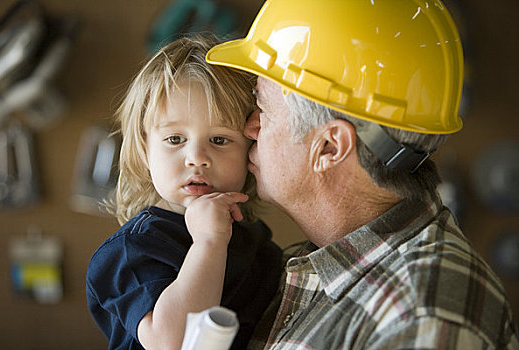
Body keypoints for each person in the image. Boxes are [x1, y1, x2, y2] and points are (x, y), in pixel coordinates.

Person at [206, 0, 519, 349]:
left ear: (329, 147)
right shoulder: (317, 270)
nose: (250, 128)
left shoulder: (421, 318)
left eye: (263, 109)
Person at [86, 35, 282, 350]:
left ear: (251, 151)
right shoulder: (132, 250)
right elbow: (170, 343)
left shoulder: (254, 240)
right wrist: (208, 243)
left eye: (219, 140)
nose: (196, 157)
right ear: (143, 152)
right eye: (175, 139)